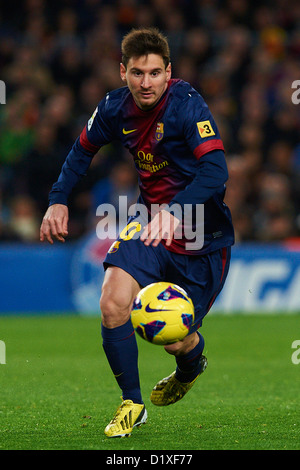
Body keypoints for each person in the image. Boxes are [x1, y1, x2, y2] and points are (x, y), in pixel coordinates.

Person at [40, 27, 234, 438]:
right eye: (137, 74)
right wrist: (58, 198)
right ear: (123, 72)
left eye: (154, 73)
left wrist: (179, 211)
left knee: (176, 340)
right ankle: (132, 403)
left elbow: (216, 171)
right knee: (112, 303)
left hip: (204, 237)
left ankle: (191, 363)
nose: (146, 83)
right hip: (150, 224)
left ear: (169, 72)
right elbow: (81, 151)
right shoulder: (114, 108)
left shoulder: (187, 106)